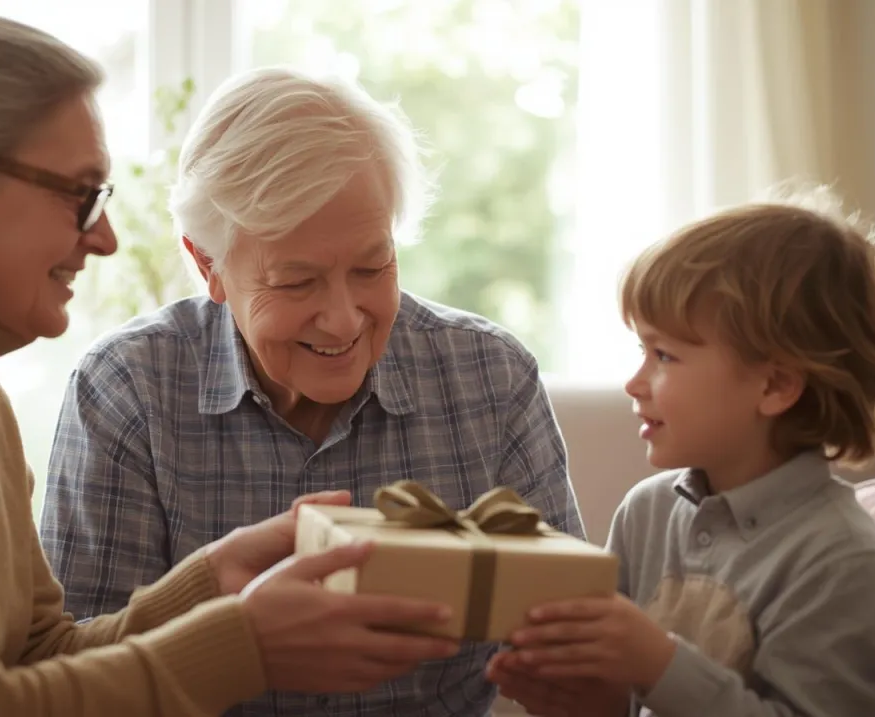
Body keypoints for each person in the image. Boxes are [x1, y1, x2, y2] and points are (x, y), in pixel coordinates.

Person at [0, 14, 463, 716]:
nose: (103, 241)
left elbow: (33, 656)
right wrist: (249, 645)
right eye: (78, 196)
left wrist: (207, 585)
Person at [39, 66, 584, 717]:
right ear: (207, 264)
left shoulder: (493, 378)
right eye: (297, 282)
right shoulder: (127, 391)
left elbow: (576, 642)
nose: (345, 318)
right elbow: (75, 681)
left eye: (372, 266)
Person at [487, 187, 875, 716]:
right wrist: (587, 702)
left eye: (664, 355)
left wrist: (659, 663)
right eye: (641, 350)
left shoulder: (840, 558)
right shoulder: (646, 513)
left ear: (775, 387)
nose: (634, 383)